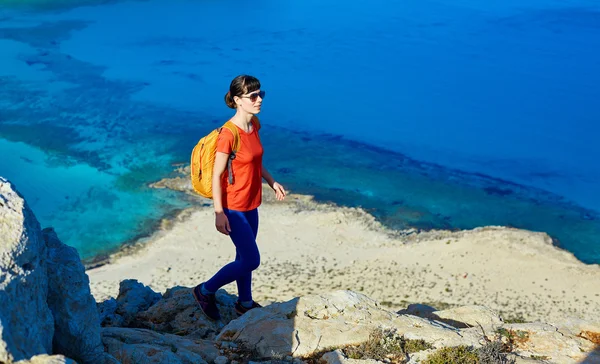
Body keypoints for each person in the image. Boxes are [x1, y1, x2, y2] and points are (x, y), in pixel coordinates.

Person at [192, 75, 286, 320]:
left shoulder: (254, 125)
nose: (259, 100)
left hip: (251, 204)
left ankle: (244, 303)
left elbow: (256, 161)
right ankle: (204, 290)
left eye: (260, 94)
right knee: (252, 260)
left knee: (243, 257)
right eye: (252, 96)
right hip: (233, 207)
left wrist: (271, 181)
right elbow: (217, 174)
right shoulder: (228, 134)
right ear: (237, 100)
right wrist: (219, 212)